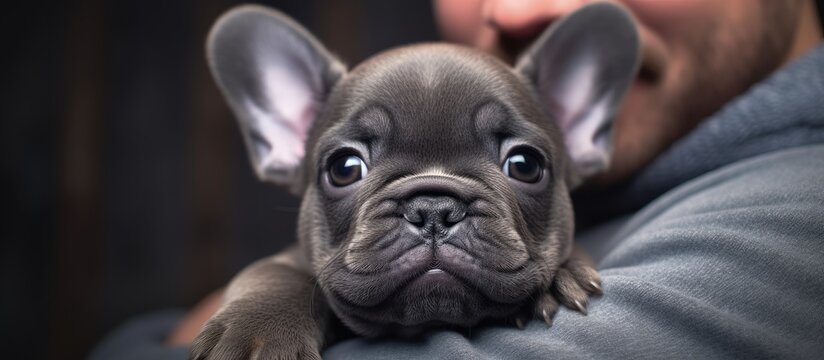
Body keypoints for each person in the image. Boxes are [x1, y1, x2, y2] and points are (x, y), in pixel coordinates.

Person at [91, 0, 824, 358]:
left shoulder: (793, 224)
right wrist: (275, 292)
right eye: (348, 167)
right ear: (289, 138)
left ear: (579, 130)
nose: (513, 7)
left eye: (522, 165)